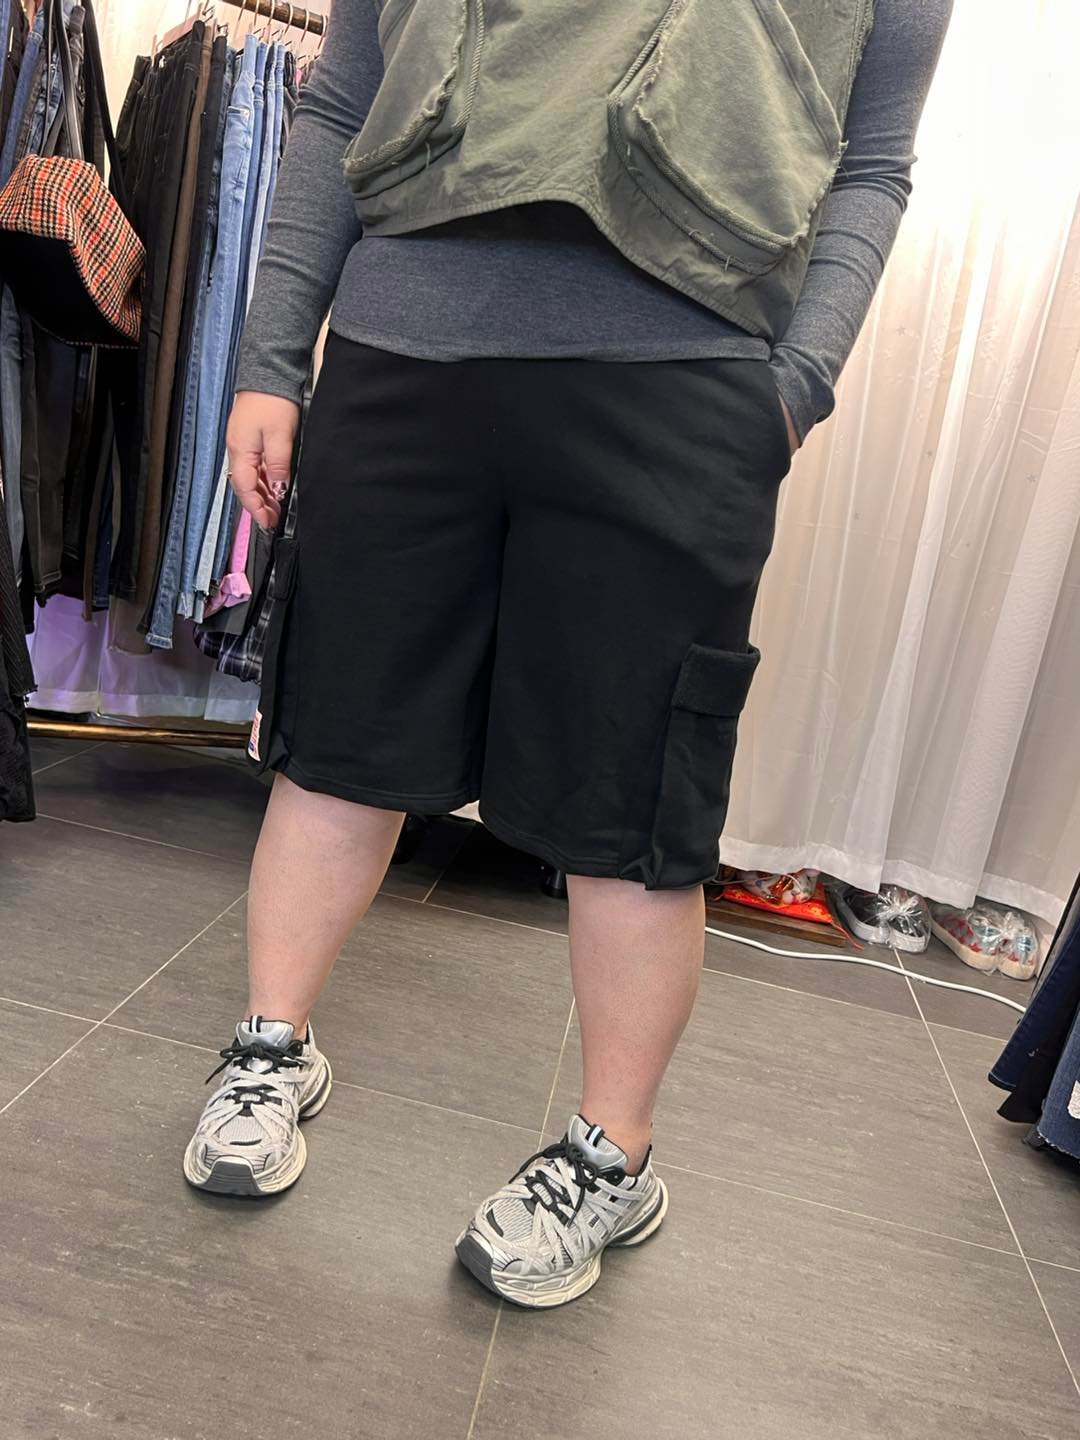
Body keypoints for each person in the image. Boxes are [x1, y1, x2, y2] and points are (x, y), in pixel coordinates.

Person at [184, 0, 952, 1308]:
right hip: (402, 351)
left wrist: (791, 387)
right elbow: (345, 94)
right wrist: (271, 358)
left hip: (680, 387)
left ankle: (612, 1156)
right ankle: (271, 1046)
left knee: (631, 800)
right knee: (340, 741)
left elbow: (870, 158)